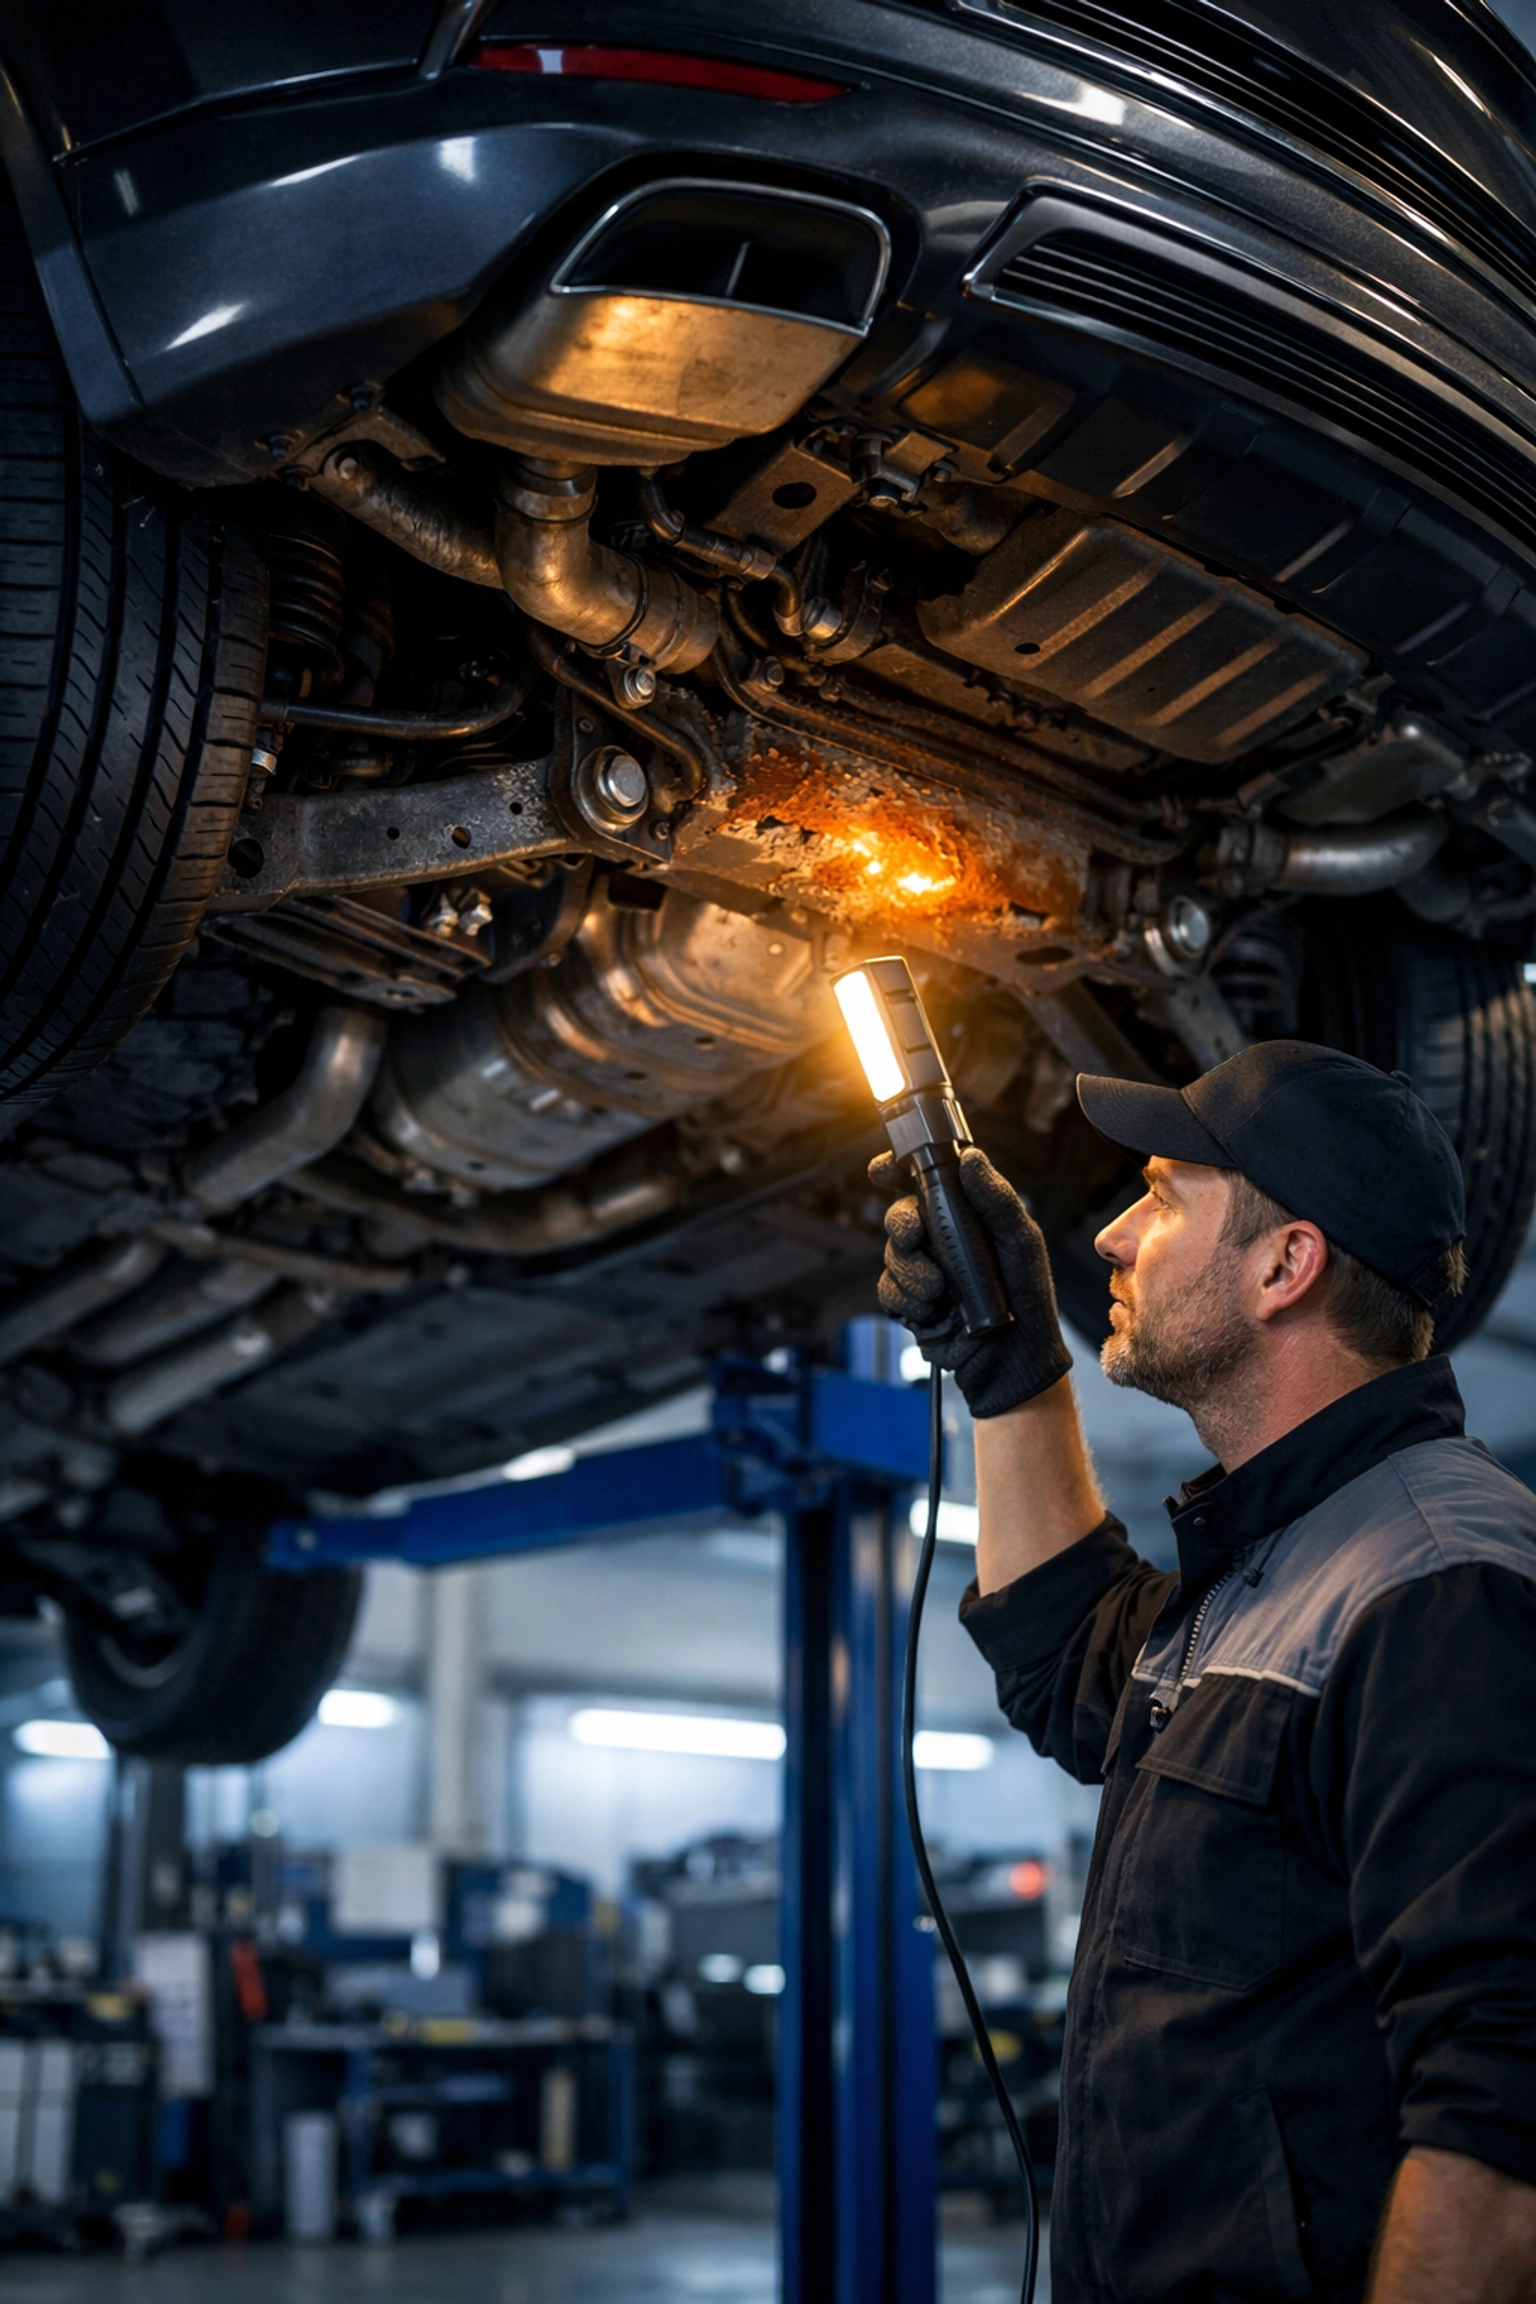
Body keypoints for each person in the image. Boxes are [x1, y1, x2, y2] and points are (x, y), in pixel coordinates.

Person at [873, 1039, 1536, 2304]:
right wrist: (1010, 1361)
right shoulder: (1274, 1562)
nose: (1113, 1238)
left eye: (1165, 1197)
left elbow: (1502, 2116)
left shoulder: (1439, 1583)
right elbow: (1067, 1648)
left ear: (1288, 1266)